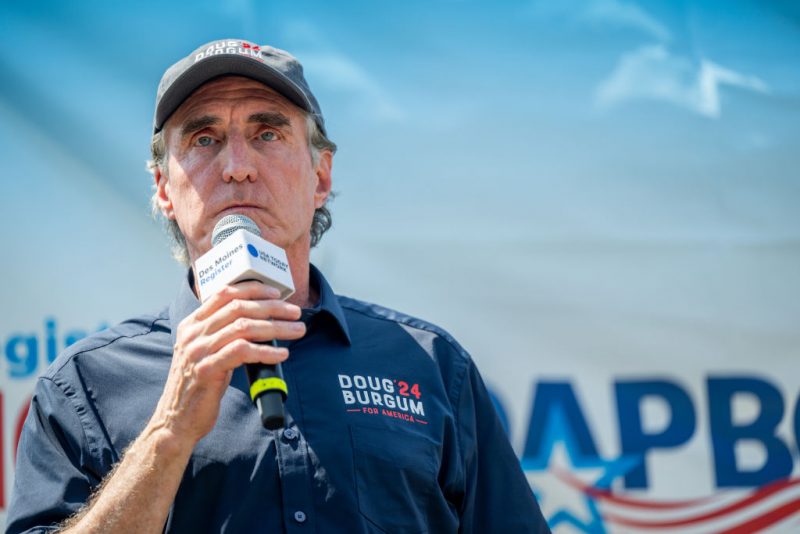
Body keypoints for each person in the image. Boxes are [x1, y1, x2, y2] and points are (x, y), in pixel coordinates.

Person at [7, 39, 550, 533]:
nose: (237, 168)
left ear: (321, 177)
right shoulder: (84, 388)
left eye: (267, 133)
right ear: (164, 187)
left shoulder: (432, 366)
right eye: (204, 139)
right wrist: (168, 434)